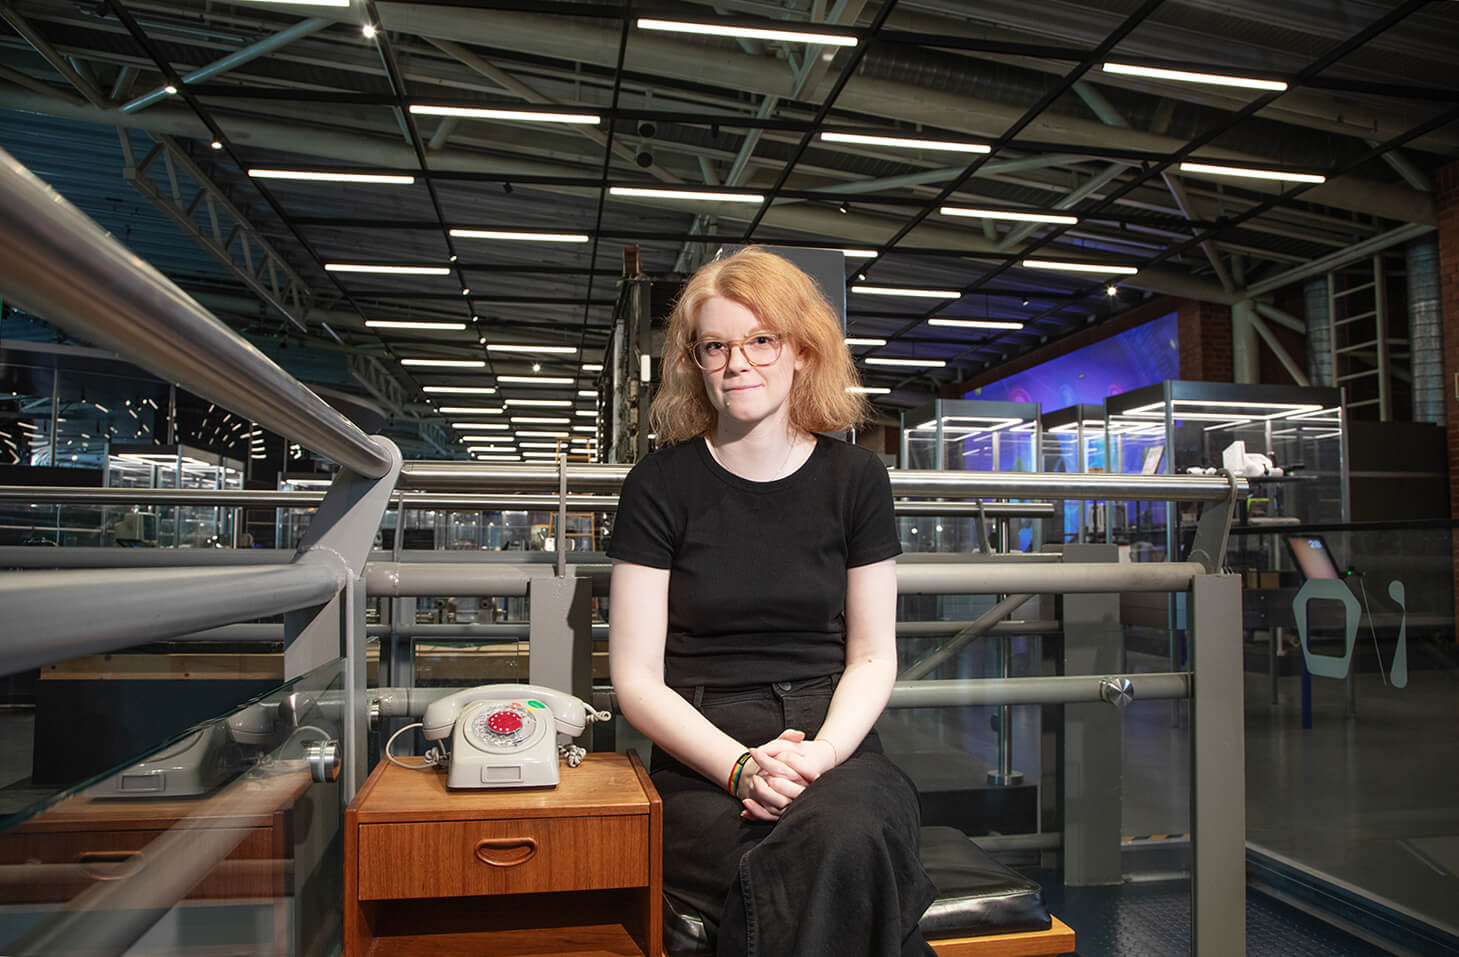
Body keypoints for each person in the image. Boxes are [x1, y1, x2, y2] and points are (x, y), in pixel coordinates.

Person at [607, 247, 936, 957]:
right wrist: (740, 767)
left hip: (836, 745)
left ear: (801, 351)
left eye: (760, 340)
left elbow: (874, 654)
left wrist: (816, 757)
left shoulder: (856, 479)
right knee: (840, 858)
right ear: (693, 360)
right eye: (715, 345)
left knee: (845, 832)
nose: (737, 362)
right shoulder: (658, 486)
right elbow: (634, 677)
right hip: (704, 756)